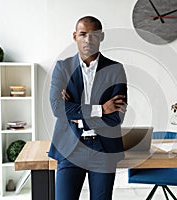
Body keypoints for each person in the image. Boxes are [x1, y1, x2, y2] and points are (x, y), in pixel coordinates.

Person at [48, 16, 128, 200]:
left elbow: (116, 117)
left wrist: (74, 112)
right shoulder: (63, 68)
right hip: (70, 148)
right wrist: (100, 109)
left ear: (102, 37)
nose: (88, 39)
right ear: (75, 36)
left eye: (94, 35)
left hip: (104, 149)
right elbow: (58, 109)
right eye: (83, 34)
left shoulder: (116, 69)